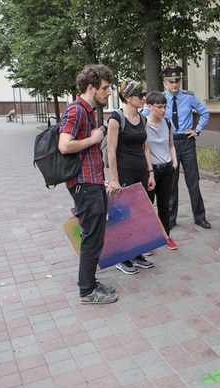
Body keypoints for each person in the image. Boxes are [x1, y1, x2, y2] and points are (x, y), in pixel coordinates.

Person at [58, 64, 118, 304]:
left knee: (96, 236)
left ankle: (91, 283)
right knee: (92, 237)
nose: (109, 93)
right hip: (84, 185)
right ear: (91, 88)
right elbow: (64, 145)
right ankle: (87, 290)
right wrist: (93, 138)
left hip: (92, 182)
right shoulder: (76, 110)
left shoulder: (87, 111)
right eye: (105, 88)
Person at [143, 65, 211, 230]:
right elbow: (144, 115)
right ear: (165, 82)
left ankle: (200, 217)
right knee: (171, 183)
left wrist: (197, 130)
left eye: (177, 81)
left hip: (186, 141)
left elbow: (205, 112)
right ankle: (171, 218)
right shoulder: (159, 100)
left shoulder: (189, 97)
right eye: (171, 81)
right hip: (169, 144)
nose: (175, 84)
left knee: (193, 181)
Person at [106, 79, 156, 274]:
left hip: (141, 171)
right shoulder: (116, 118)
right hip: (124, 171)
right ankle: (122, 257)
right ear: (127, 97)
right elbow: (111, 150)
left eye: (144, 95)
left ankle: (137, 253)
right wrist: (114, 179)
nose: (144, 98)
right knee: (124, 215)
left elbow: (145, 147)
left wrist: (150, 172)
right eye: (140, 95)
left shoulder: (142, 119)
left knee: (139, 213)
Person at [145, 91, 179, 250]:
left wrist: (174, 162)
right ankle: (149, 240)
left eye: (165, 106)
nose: (163, 110)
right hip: (151, 171)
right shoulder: (143, 124)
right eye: (159, 107)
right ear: (149, 106)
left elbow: (171, 144)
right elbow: (143, 149)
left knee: (165, 205)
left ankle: (166, 236)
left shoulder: (168, 123)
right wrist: (149, 170)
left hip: (166, 169)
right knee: (149, 206)